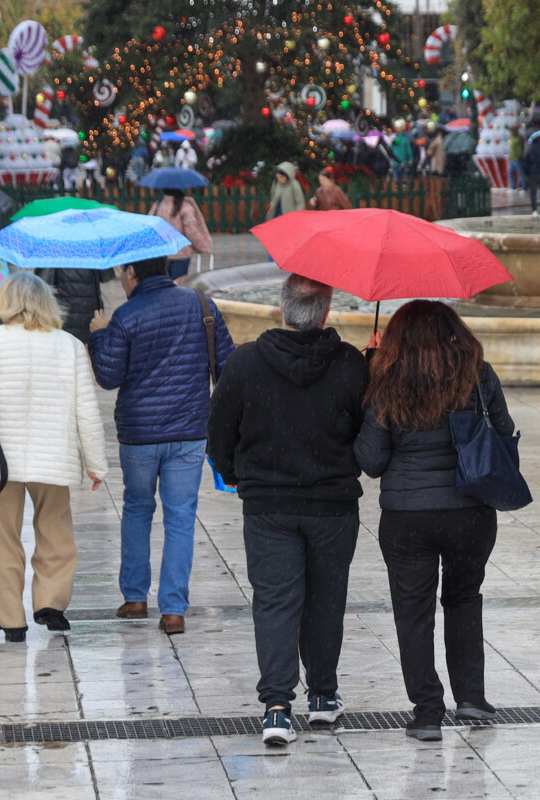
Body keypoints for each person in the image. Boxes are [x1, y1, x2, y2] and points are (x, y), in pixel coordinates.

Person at [208, 275, 369, 747]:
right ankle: (322, 696)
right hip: (332, 506)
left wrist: (235, 472)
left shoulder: (245, 363)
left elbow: (219, 431)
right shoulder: (349, 365)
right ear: (325, 312)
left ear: (281, 310)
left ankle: (277, 707)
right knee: (325, 599)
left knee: (275, 600)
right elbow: (368, 435)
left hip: (268, 506)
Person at [355, 301, 513, 742]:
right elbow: (504, 432)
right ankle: (472, 698)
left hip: (408, 517)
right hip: (470, 511)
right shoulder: (478, 374)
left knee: (413, 612)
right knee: (464, 599)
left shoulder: (387, 381)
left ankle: (427, 712)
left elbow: (370, 460)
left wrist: (371, 379)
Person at [0, 273, 107, 643]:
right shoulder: (68, 344)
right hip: (53, 458)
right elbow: (87, 409)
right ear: (46, 302)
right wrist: (96, 464)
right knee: (55, 530)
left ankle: (11, 619)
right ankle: (50, 602)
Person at [89, 256, 235, 636]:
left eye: (123, 272)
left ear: (133, 273)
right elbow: (227, 364)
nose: (122, 279)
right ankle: (173, 611)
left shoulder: (126, 315)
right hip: (189, 431)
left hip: (139, 435)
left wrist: (99, 335)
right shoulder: (201, 305)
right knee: (181, 517)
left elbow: (108, 376)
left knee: (137, 509)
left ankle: (136, 598)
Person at [148, 190, 213, 281]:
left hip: (162, 254)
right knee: (178, 284)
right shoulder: (185, 206)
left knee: (163, 285)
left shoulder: (158, 205)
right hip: (181, 254)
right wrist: (203, 247)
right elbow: (192, 231)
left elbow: (150, 227)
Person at [35, 267, 106, 344]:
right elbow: (105, 275)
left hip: (61, 316)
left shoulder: (51, 255)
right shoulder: (92, 255)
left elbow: (42, 282)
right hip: (89, 313)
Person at [507, 128, 526, 192]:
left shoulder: (518, 139)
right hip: (512, 158)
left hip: (516, 159)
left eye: (511, 132)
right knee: (510, 173)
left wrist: (518, 156)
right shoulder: (512, 138)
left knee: (521, 173)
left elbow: (520, 149)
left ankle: (524, 188)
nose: (510, 133)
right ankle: (513, 187)